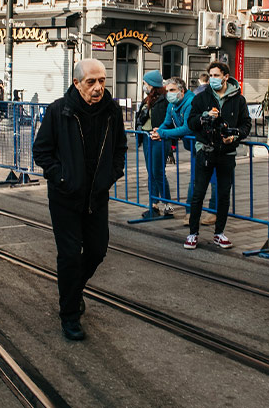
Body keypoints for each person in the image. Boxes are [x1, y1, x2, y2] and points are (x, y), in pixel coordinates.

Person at [32, 59, 126, 341]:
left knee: (97, 251)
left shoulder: (111, 111)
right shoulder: (59, 110)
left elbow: (120, 147)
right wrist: (61, 178)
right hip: (65, 198)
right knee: (70, 256)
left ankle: (73, 290)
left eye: (102, 81)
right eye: (91, 82)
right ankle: (69, 314)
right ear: (76, 83)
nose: (98, 88)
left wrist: (111, 175)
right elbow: (42, 150)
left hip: (97, 196)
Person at [184, 62, 251, 250]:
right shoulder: (201, 97)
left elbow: (246, 124)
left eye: (216, 75)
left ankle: (219, 233)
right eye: (210, 75)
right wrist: (205, 116)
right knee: (198, 193)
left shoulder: (238, 100)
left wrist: (235, 135)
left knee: (223, 194)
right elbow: (191, 122)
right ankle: (192, 233)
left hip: (227, 153)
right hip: (205, 150)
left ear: (225, 77)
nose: (212, 78)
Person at [151, 77, 194, 223]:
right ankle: (192, 212)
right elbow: (167, 122)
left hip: (201, 145)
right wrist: (158, 131)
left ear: (181, 91)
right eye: (167, 90)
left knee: (196, 181)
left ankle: (191, 213)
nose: (168, 94)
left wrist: (162, 133)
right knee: (197, 181)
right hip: (191, 145)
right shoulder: (172, 104)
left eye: (172, 90)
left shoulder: (190, 103)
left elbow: (187, 128)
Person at [135, 70, 171, 217]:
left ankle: (167, 204)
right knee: (151, 173)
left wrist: (161, 132)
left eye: (145, 83)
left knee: (158, 172)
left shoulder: (163, 100)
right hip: (147, 138)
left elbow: (166, 121)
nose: (144, 85)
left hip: (158, 139)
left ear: (152, 84)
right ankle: (154, 205)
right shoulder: (147, 99)